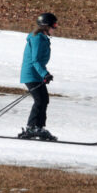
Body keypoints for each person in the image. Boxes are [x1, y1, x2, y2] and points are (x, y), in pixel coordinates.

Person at [19, 12, 58, 140]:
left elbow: (39, 61)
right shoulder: (37, 39)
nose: (55, 28)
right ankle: (32, 128)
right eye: (54, 25)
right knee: (40, 100)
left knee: (44, 100)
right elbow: (35, 60)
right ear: (46, 26)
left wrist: (44, 74)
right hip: (31, 74)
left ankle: (39, 128)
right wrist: (44, 74)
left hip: (36, 74)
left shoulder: (42, 38)